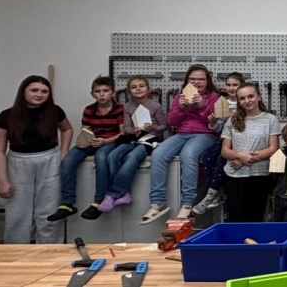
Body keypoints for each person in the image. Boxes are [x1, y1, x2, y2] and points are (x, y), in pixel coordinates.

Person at [0, 75, 72, 244]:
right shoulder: (6, 116)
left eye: (44, 91)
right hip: (18, 164)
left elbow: (67, 129)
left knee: (49, 209)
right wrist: (2, 180)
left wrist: (64, 152)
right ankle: (16, 251)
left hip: (49, 162)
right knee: (18, 211)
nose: (39, 94)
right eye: (34, 90)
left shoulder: (55, 111)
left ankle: (50, 251)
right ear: (23, 91)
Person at [143, 64, 221, 223]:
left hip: (205, 134)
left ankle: (187, 204)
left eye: (201, 79)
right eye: (193, 79)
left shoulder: (214, 97)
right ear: (187, 80)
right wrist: (180, 107)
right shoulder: (180, 96)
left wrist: (202, 106)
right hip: (181, 133)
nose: (197, 82)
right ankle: (157, 202)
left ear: (207, 81)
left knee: (188, 155)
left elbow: (215, 123)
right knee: (158, 153)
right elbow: (172, 121)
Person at [48, 75, 125, 221]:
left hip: (111, 141)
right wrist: (82, 141)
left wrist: (104, 141)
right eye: (97, 91)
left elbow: (123, 134)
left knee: (101, 158)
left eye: (106, 91)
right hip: (93, 141)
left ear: (113, 93)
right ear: (92, 94)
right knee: (69, 159)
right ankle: (67, 203)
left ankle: (98, 201)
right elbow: (85, 131)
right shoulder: (89, 110)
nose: (101, 95)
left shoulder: (120, 109)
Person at [100, 76, 168, 214]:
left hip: (151, 139)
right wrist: (134, 130)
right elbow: (126, 127)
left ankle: (113, 194)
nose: (138, 89)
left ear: (148, 89)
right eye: (133, 87)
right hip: (133, 138)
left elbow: (163, 126)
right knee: (113, 156)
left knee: (131, 156)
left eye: (141, 86)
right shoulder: (127, 106)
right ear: (129, 91)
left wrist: (152, 128)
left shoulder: (156, 106)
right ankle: (125, 193)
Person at [221, 82, 280, 222]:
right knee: (236, 219)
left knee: (255, 218)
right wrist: (240, 155)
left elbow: (273, 148)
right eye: (242, 98)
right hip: (234, 176)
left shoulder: (270, 120)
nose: (247, 101)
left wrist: (245, 159)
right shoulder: (232, 120)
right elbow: (225, 150)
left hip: (259, 176)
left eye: (250, 96)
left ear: (258, 96)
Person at [193, 72, 243, 215]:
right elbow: (219, 128)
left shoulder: (245, 102)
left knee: (222, 158)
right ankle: (218, 193)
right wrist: (213, 123)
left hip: (240, 141)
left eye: (235, 85)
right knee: (207, 155)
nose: (231, 88)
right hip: (224, 139)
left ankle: (211, 195)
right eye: (228, 85)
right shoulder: (222, 103)